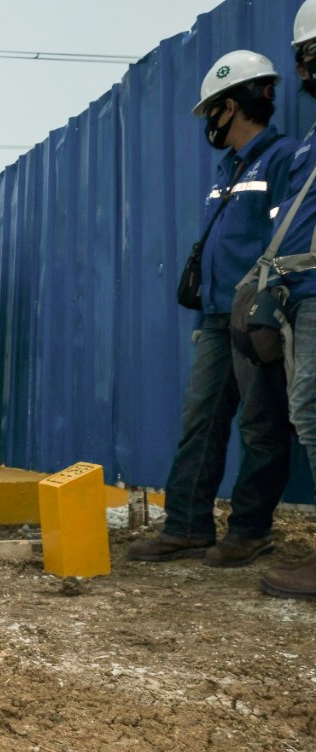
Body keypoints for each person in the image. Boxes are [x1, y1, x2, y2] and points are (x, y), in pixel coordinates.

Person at [129, 51, 296, 569]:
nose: (209, 124)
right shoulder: (227, 170)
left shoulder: (284, 159)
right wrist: (206, 317)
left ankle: (249, 531)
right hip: (218, 319)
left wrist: (269, 311)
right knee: (199, 421)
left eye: (212, 112)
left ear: (233, 105)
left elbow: (287, 242)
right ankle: (186, 527)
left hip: (260, 316)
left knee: (261, 426)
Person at [261, 1, 316, 597]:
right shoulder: (307, 143)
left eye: (309, 57)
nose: (303, 74)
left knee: (312, 412)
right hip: (302, 293)